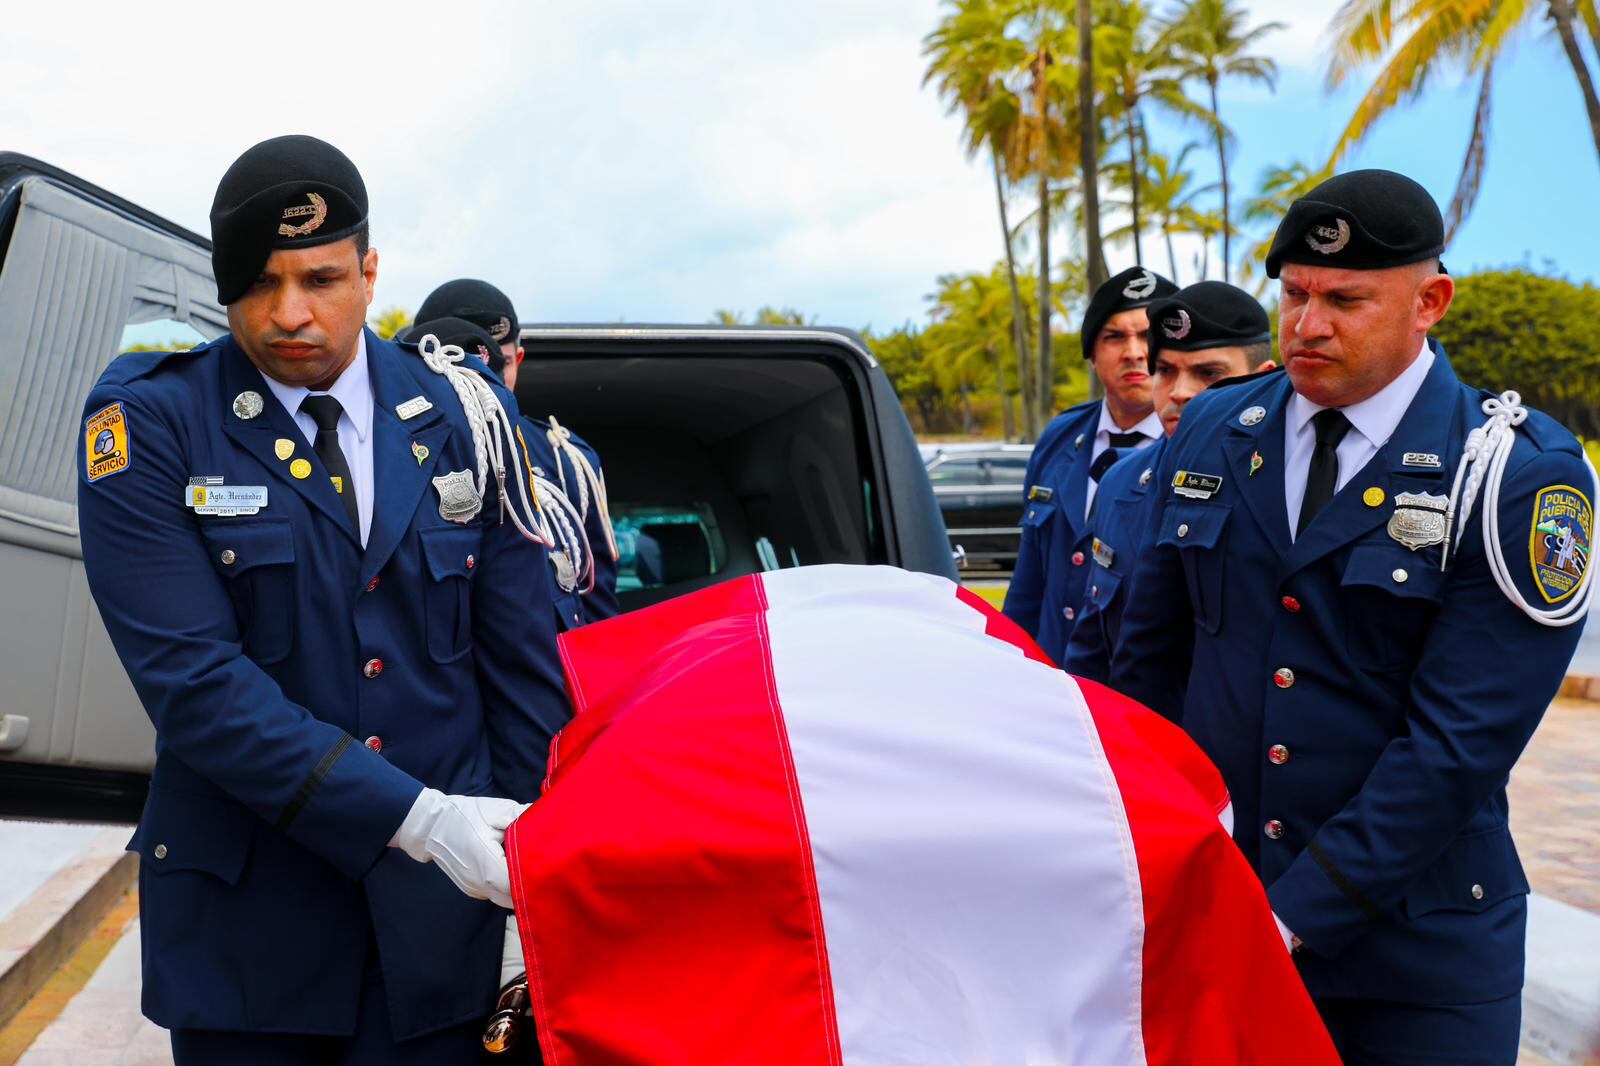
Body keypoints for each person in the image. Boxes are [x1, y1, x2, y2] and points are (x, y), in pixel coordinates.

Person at [77, 135, 571, 1064]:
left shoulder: (462, 416)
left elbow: (522, 673)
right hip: (252, 939)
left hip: (443, 935)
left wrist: (539, 868)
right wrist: (425, 822)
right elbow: (196, 686)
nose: (290, 313)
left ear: (370, 273)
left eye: (322, 279)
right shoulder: (152, 422)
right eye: (260, 283)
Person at [1109, 169, 1594, 1064]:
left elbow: (1458, 745)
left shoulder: (1510, 473)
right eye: (1294, 293)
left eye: (1344, 299)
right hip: (1216, 920)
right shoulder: (1215, 429)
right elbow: (1148, 671)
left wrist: (1287, 916)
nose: (1307, 325)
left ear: (1429, 303)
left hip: (1414, 965)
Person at [1063, 281, 1275, 682]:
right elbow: (1092, 651)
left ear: (1263, 379)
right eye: (1165, 371)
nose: (1180, 392)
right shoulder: (1120, 481)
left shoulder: (1290, 485)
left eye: (1209, 373)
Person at [410, 278, 619, 629]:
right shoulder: (386, 455)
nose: (482, 385)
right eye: (461, 369)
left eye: (496, 367)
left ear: (517, 360)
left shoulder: (567, 461)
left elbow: (599, 622)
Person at [1003, 266, 1177, 663]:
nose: (1134, 352)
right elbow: (1028, 584)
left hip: (1134, 686)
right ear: (1092, 355)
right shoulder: (1060, 437)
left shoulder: (1192, 444)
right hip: (1051, 677)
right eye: (1114, 337)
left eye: (1148, 336)